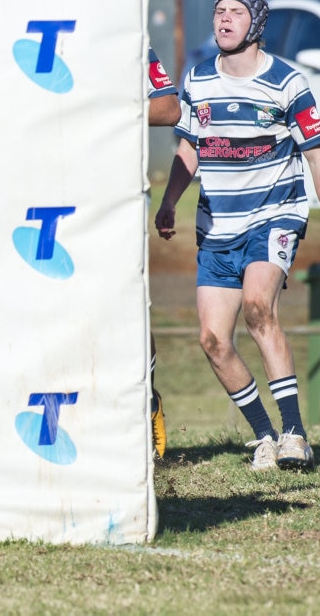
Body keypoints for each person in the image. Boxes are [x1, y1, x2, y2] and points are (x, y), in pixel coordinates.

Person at [155, 0, 320, 472]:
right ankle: (265, 436)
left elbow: (317, 158)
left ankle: (294, 434)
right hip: (217, 224)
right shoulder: (198, 79)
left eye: (235, 13)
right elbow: (189, 149)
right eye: (218, 11)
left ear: (256, 25)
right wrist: (168, 202)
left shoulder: (288, 82)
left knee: (256, 306)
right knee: (212, 339)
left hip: (274, 215)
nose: (223, 20)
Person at [146, 46, 183, 459]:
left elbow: (169, 107)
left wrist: (96, 111)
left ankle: (147, 399)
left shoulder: (128, 38)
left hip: (113, 197)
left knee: (127, 306)